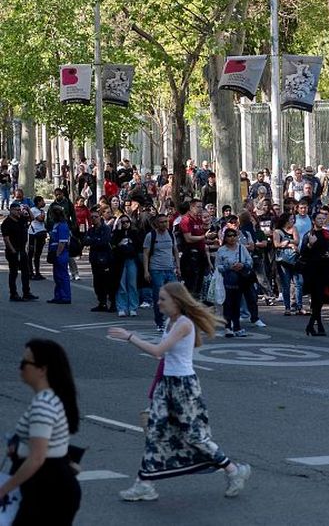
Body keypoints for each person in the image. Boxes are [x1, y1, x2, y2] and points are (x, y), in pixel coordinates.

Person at [110, 282, 251, 501]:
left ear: (177, 301)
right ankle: (144, 484)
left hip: (184, 386)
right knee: (154, 432)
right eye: (158, 299)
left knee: (195, 436)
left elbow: (158, 352)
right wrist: (156, 388)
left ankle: (234, 471)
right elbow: (165, 360)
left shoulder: (184, 324)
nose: (159, 303)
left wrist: (130, 337)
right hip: (167, 384)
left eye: (163, 299)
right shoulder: (171, 322)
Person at [0, 339, 81, 524]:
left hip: (47, 488)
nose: (20, 368)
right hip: (52, 484)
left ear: (42, 369)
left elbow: (37, 458)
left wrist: (4, 490)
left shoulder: (43, 406)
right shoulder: (51, 398)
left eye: (24, 363)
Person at [300, 211, 329, 335]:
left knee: (320, 299)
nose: (321, 220)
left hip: (326, 270)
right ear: (313, 221)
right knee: (317, 300)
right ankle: (315, 326)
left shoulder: (327, 233)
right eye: (318, 218)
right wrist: (310, 244)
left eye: (323, 218)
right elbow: (303, 253)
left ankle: (314, 326)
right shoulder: (309, 235)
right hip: (313, 272)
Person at [216, 228, 260, 337]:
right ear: (225, 238)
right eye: (229, 236)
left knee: (237, 303)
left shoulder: (242, 248)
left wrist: (243, 265)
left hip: (241, 280)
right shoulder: (221, 250)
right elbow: (218, 266)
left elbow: (249, 261)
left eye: (234, 235)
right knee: (228, 304)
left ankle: (237, 326)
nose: (232, 238)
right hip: (227, 280)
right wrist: (229, 267)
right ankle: (228, 327)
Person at [144, 214, 183, 331]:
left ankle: (174, 320)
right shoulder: (151, 236)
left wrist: (178, 267)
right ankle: (159, 322)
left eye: (166, 222)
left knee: (176, 296)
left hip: (170, 269)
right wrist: (146, 271)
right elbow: (146, 254)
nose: (164, 224)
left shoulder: (170, 234)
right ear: (156, 223)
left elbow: (175, 251)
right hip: (156, 270)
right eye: (161, 222)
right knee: (159, 297)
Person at [2, 202, 37, 301]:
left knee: (26, 272)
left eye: (19, 210)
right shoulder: (7, 223)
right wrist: (13, 251)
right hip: (13, 251)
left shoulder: (21, 219)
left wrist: (28, 209)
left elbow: (32, 218)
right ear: (11, 210)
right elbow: (6, 238)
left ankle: (26, 292)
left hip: (22, 249)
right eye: (16, 210)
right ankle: (13, 294)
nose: (19, 212)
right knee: (13, 273)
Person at [112, 216, 142, 317]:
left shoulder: (134, 233)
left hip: (131, 260)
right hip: (120, 261)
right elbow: (113, 244)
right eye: (123, 222)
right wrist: (119, 238)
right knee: (122, 285)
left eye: (127, 221)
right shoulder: (117, 233)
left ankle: (133, 307)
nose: (125, 224)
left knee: (132, 284)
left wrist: (131, 242)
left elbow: (139, 246)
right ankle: (122, 307)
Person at [47, 207, 72, 305]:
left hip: (61, 253)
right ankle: (58, 296)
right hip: (55, 252)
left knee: (62, 275)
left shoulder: (62, 225)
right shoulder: (56, 225)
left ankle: (65, 296)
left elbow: (62, 242)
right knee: (57, 276)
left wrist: (57, 254)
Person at [27, 196, 47, 280]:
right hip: (34, 233)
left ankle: (37, 272)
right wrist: (42, 214)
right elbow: (40, 219)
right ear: (38, 202)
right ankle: (30, 272)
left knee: (38, 254)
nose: (44, 203)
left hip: (41, 232)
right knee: (31, 253)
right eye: (42, 201)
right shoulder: (34, 210)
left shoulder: (41, 210)